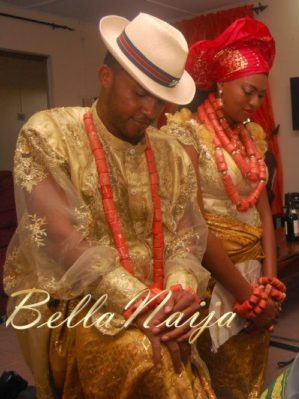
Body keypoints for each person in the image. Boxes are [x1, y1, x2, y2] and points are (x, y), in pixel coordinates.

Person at [3, 13, 217, 398]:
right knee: (141, 355)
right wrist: (140, 304)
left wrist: (178, 290)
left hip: (156, 298)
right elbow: (66, 244)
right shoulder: (49, 134)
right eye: (139, 93)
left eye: (161, 99)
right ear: (106, 77)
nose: (151, 111)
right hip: (76, 305)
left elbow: (186, 234)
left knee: (179, 346)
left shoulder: (171, 153)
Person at [161, 17, 282, 399]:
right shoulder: (187, 134)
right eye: (248, 91)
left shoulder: (252, 138)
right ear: (220, 83)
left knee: (251, 372)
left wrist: (270, 285)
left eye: (261, 95)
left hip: (254, 271)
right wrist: (246, 294)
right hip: (214, 272)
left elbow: (263, 212)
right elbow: (193, 224)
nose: (254, 103)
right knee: (218, 373)